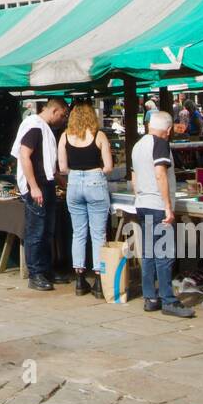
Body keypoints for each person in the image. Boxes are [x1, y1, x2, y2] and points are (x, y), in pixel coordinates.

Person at [131, 111, 194, 318]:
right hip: (157, 205)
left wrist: (139, 196)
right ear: (168, 130)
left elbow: (134, 177)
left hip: (142, 203)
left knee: (149, 252)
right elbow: (160, 174)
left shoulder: (138, 145)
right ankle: (168, 299)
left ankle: (150, 297)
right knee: (164, 254)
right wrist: (167, 206)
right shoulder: (160, 143)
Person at [58, 101, 113, 299]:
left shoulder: (64, 136)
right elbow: (108, 166)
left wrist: (76, 173)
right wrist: (96, 171)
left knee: (78, 233)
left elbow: (62, 168)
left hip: (73, 184)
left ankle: (80, 279)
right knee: (98, 234)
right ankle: (99, 280)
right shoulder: (99, 136)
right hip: (95, 182)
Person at [12, 99, 68, 291]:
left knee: (47, 230)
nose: (63, 119)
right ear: (54, 110)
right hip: (38, 186)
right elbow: (24, 155)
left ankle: (45, 269)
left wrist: (59, 179)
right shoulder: (35, 126)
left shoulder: (43, 127)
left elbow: (44, 159)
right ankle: (35, 273)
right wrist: (33, 186)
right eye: (62, 115)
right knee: (37, 230)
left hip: (47, 183)